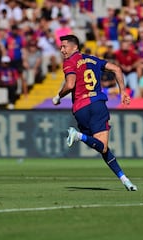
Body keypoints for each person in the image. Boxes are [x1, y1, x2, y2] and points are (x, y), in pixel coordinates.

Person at [52, 34, 137, 191]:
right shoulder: (93, 59)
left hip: (80, 108)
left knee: (102, 148)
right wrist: (123, 92)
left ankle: (125, 180)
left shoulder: (69, 62)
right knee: (102, 147)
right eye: (61, 47)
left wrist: (58, 96)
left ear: (75, 47)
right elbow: (117, 69)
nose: (62, 49)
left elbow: (70, 85)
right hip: (97, 104)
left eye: (64, 46)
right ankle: (79, 136)